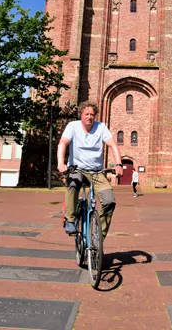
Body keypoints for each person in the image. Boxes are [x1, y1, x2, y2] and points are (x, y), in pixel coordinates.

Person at [57, 100, 123, 239]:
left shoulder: (101, 127)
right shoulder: (72, 126)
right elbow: (63, 142)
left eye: (92, 114)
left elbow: (113, 145)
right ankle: (70, 219)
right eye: (86, 114)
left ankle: (98, 236)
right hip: (77, 169)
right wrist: (61, 163)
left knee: (109, 201)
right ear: (81, 114)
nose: (89, 117)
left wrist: (118, 164)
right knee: (73, 186)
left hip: (96, 172)